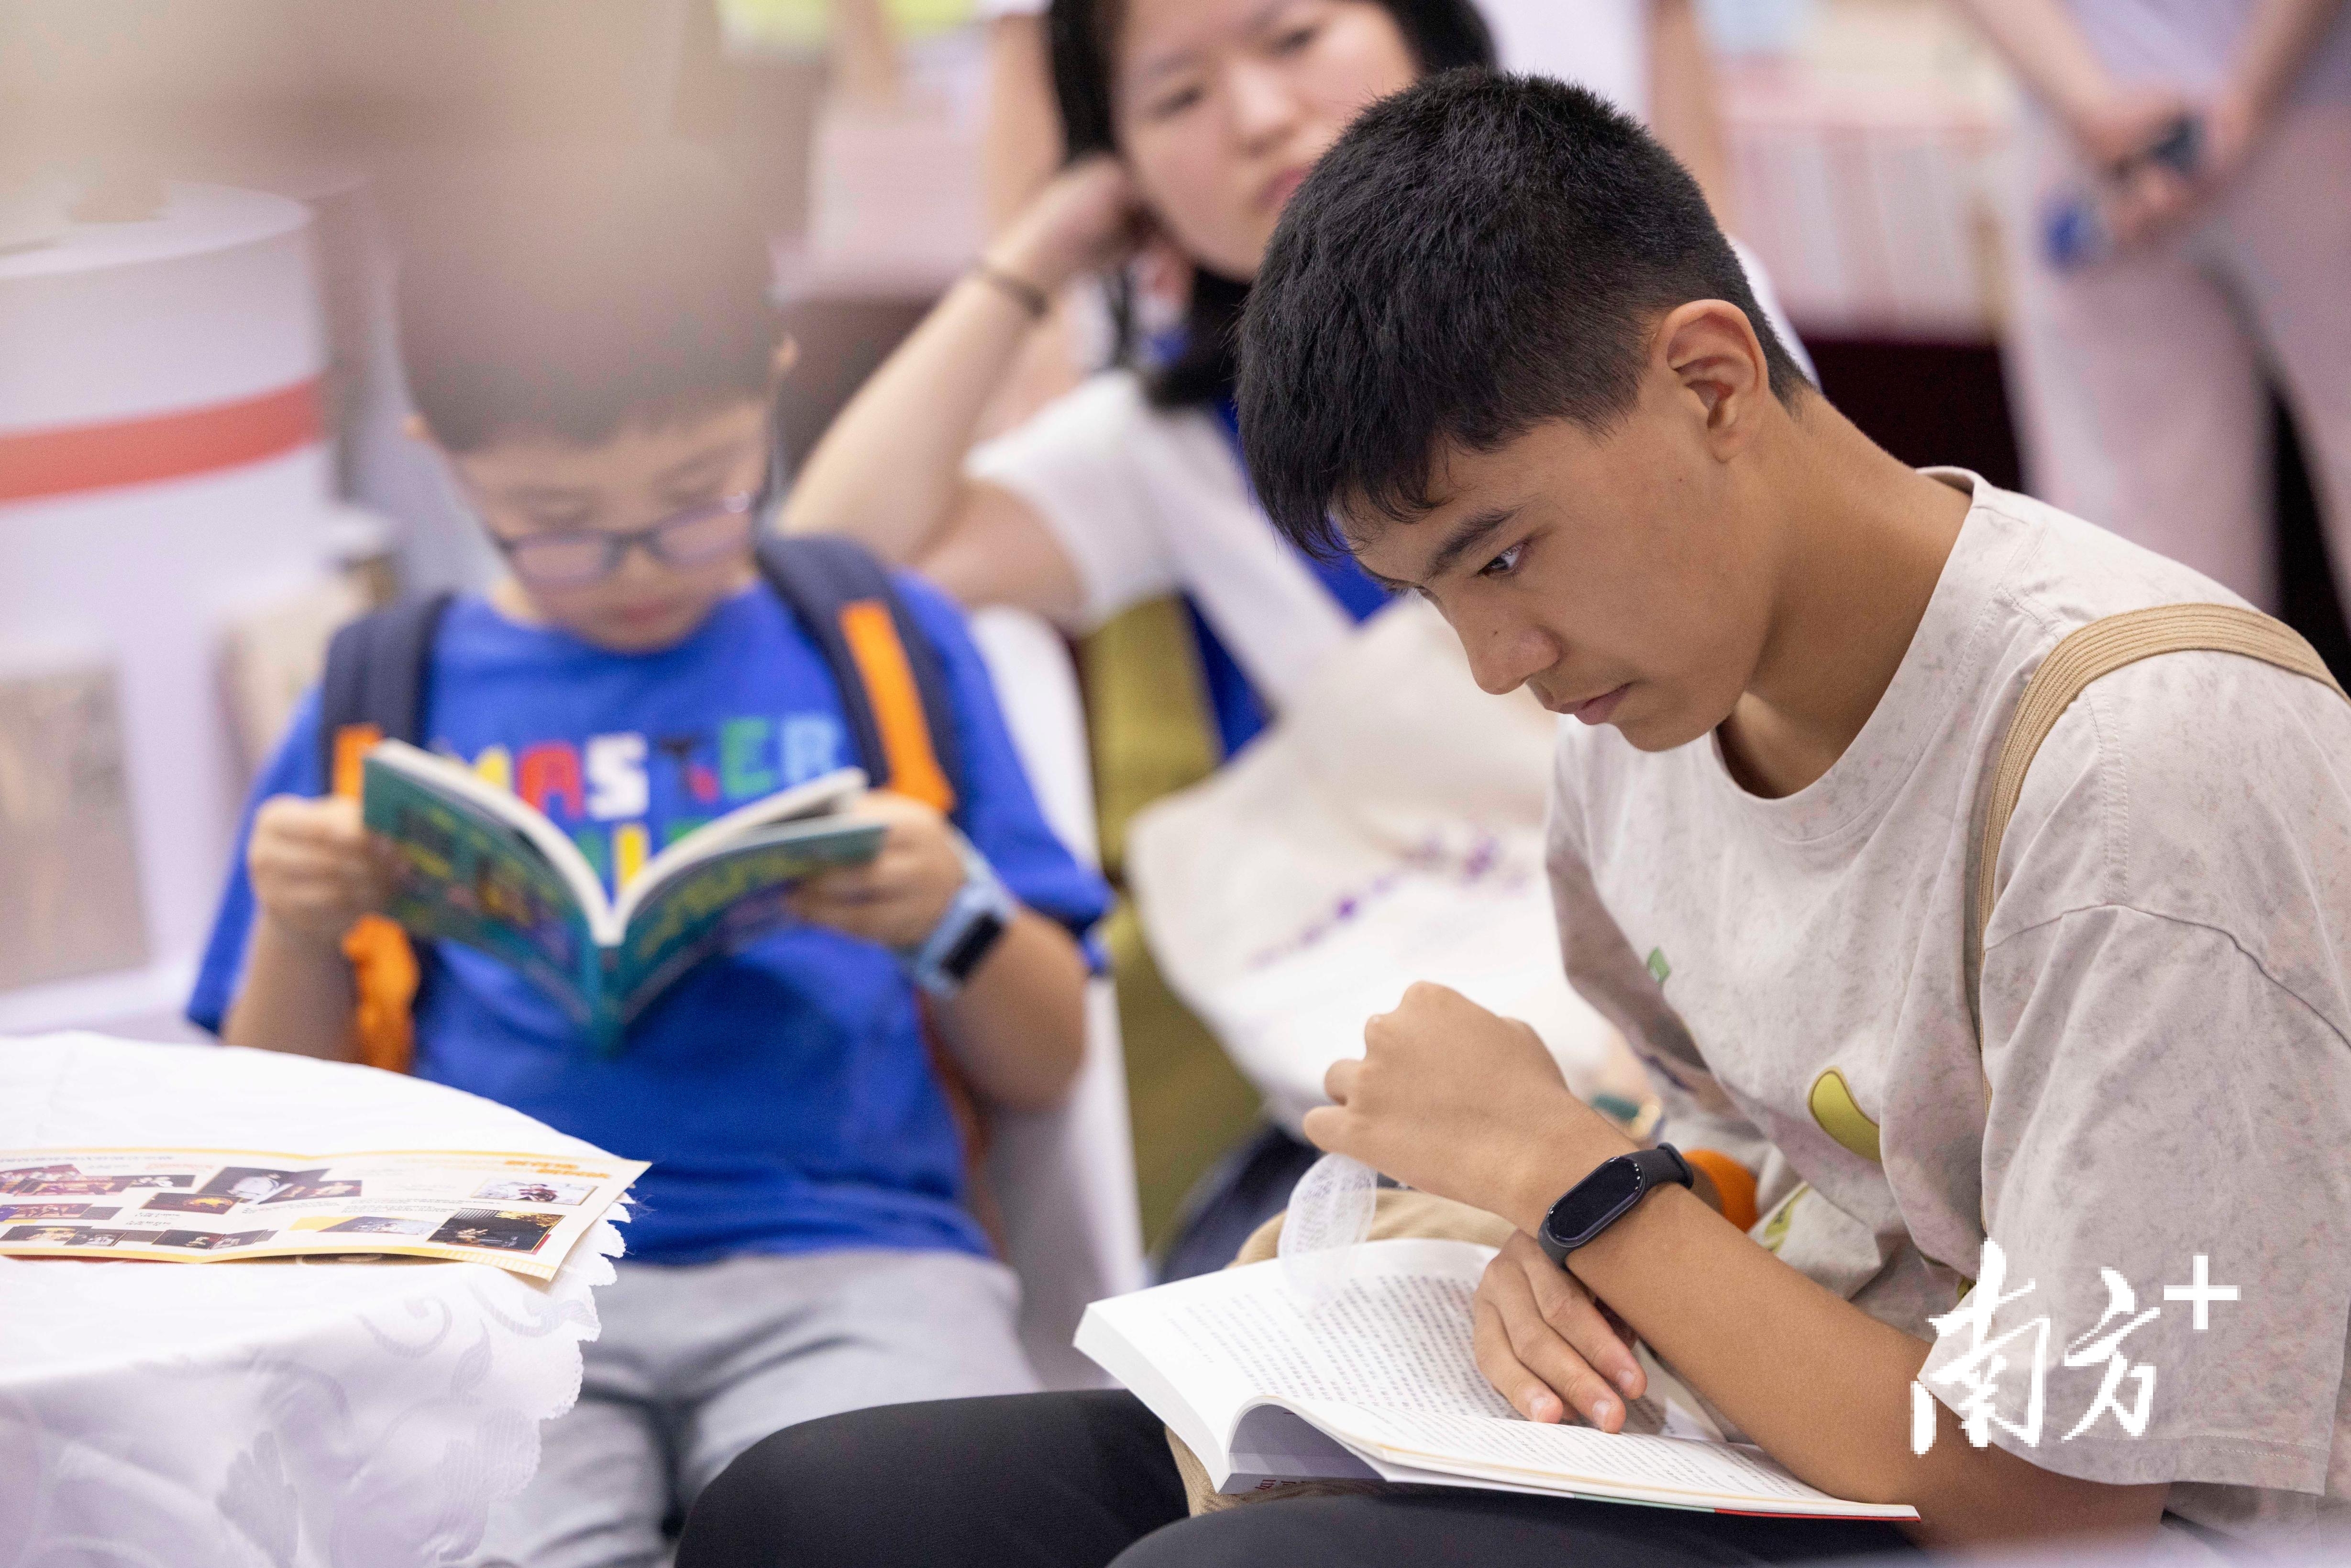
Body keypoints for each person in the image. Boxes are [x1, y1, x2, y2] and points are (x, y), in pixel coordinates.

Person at [679, 73, 2351, 1565]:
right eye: (1434, 593)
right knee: (817, 1504)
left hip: (2082, 1515)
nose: (1496, 663)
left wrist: (1576, 1185)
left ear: (1711, 382)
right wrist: (1562, 1244)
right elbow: (1721, 1137)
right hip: (1742, 1427)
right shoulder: (1651, 698)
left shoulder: (2145, 762)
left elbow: (2055, 1493)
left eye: (1500, 554)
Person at [186, 148, 1109, 1568]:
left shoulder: (876, 641)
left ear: (774, 386)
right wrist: (299, 923)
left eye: (697, 494)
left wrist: (955, 913)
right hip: (493, 1282)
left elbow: (1049, 1065)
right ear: (442, 457)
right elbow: (279, 1126)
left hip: (856, 1259)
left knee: (900, 1521)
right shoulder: (385, 686)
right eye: (559, 528)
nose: (637, 567)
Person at [789, 0, 1800, 1275]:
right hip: (1457, 1055)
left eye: (1293, 37)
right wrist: (1041, 248)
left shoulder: (1648, 302)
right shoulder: (1161, 447)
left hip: (1757, 983)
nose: (1258, 117)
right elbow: (827, 559)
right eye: (1175, 98)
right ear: (1127, 171)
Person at [1956, 0, 2351, 612]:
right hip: (2294, 117)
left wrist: (2094, 109)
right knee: (2139, 569)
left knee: (2137, 559)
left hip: (2099, 132)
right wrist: (2239, 104)